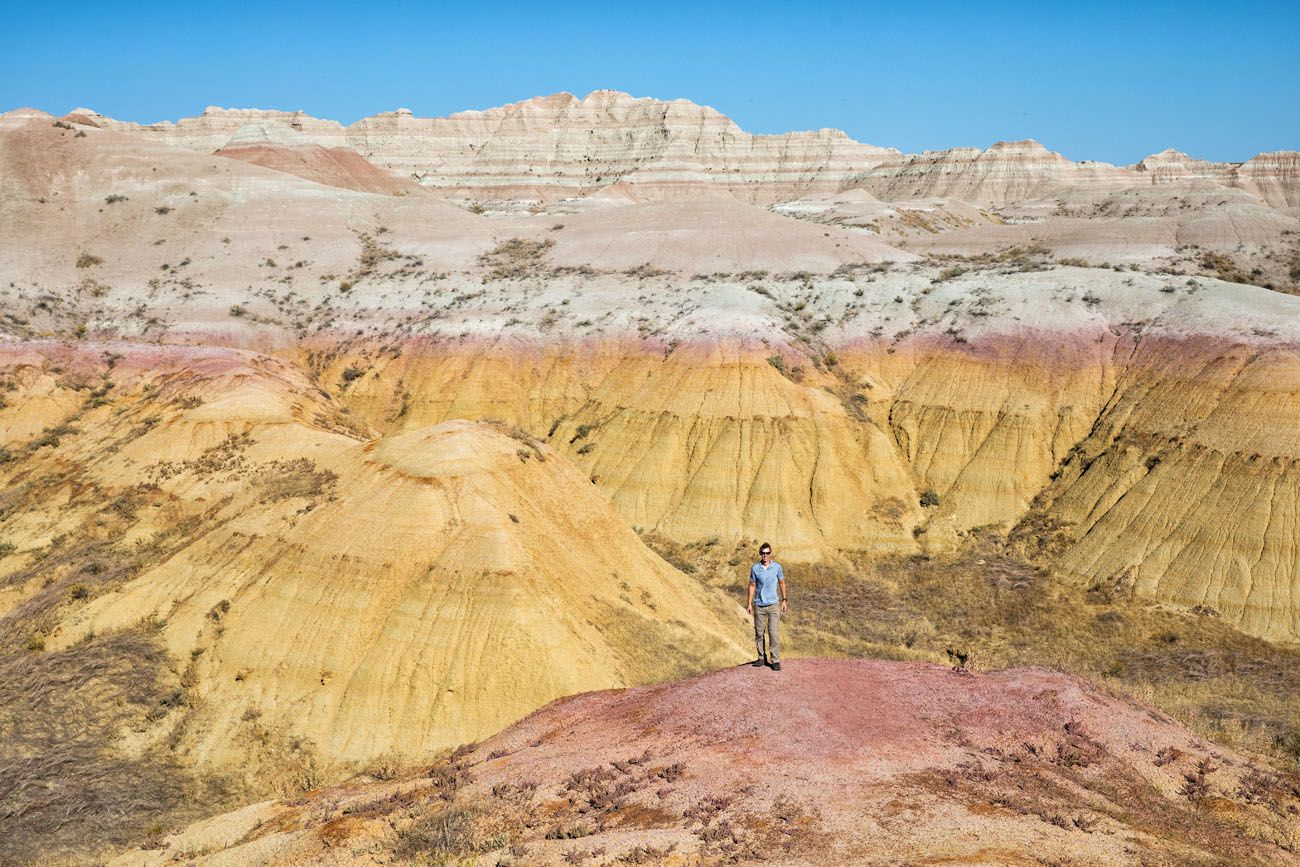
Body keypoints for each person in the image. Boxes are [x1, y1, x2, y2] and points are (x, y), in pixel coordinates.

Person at [746, 542, 787, 670]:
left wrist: (784, 600)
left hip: (773, 604)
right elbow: (752, 585)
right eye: (763, 553)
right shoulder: (755, 568)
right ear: (760, 554)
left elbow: (781, 582)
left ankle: (775, 660)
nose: (765, 555)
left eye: (767, 553)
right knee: (759, 632)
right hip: (759, 604)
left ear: (770, 554)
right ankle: (760, 658)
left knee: (773, 632)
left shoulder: (777, 567)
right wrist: (749, 604)